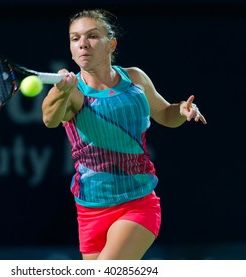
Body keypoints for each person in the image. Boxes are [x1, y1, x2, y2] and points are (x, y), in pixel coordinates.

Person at [42, 8, 207, 260]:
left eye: (92, 36)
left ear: (111, 44)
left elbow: (165, 115)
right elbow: (50, 119)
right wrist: (59, 91)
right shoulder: (73, 91)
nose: (83, 44)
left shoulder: (135, 79)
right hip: (89, 208)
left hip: (137, 202)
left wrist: (183, 110)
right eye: (75, 39)